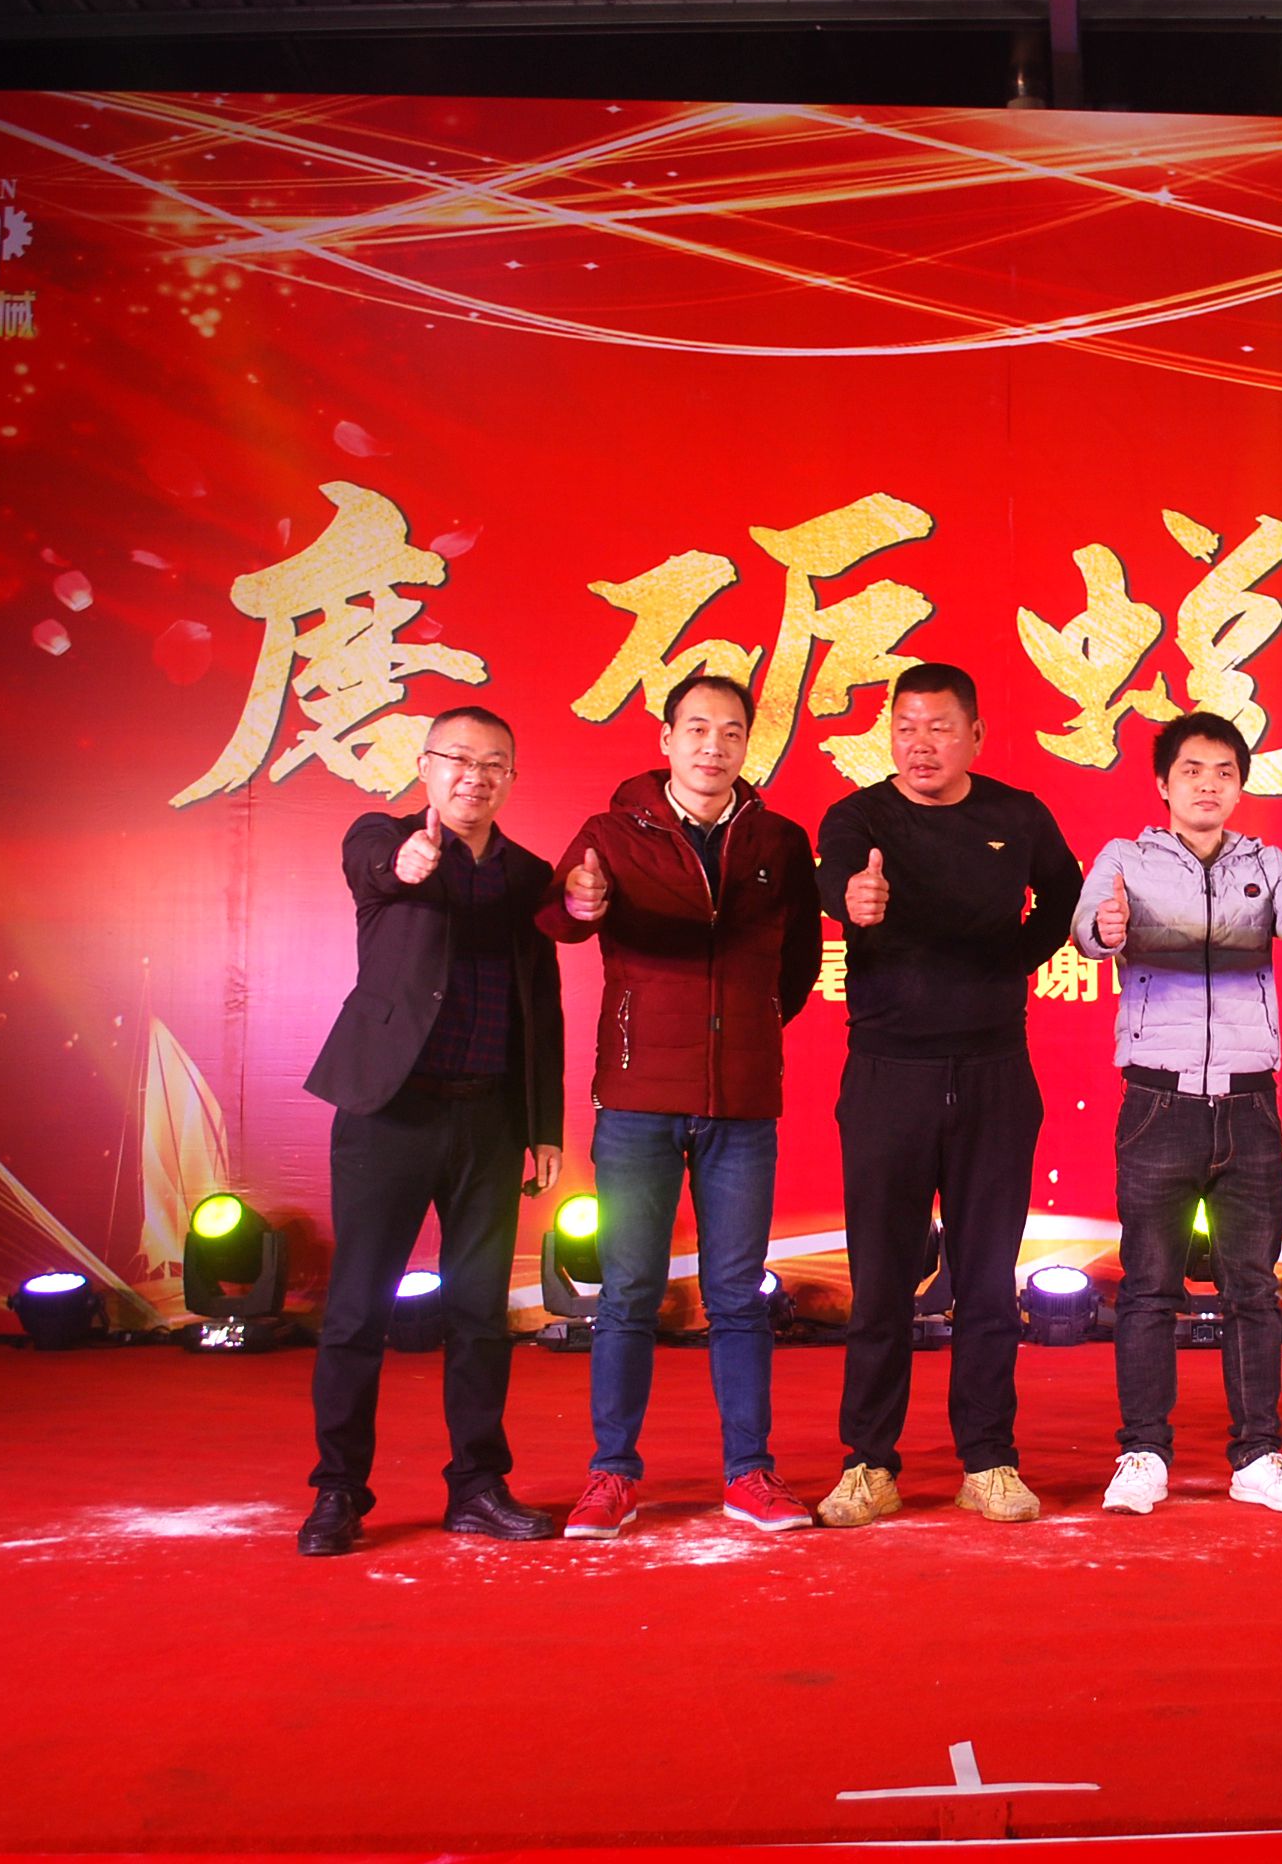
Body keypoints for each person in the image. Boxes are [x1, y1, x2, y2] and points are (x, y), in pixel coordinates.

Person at [538, 671, 824, 1540]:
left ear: (748, 744)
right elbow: (562, 914)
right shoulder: (611, 833)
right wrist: (580, 902)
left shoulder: (779, 839)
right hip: (637, 1100)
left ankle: (750, 1473)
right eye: (696, 728)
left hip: (742, 1103)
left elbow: (798, 967)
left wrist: (745, 1028)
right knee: (629, 1291)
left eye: (731, 731)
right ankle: (611, 1475)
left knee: (739, 1295)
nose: (713, 746)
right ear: (665, 740)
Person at [1071, 712, 1282, 1517]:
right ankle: (1143, 1453)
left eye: (1224, 773)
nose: (1208, 785)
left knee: (1252, 1290)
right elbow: (1087, 928)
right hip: (1157, 1102)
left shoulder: (1264, 864)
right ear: (1163, 783)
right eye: (1192, 770)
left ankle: (1258, 1455)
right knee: (1148, 1288)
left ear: (1240, 786)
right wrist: (1103, 930)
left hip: (1249, 1105)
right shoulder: (1125, 860)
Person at [812, 663, 1083, 1527]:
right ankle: (868, 1463)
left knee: (989, 1281)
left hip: (995, 1073)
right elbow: (836, 882)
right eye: (905, 728)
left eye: (938, 727)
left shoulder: (1017, 815)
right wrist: (855, 901)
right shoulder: (859, 818)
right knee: (881, 1280)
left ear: (975, 735)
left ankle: (989, 1460)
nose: (919, 744)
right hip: (889, 1073)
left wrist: (1011, 960)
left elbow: (1065, 895)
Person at [296, 705, 565, 1557]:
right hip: (390, 1112)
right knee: (356, 1309)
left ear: (511, 778)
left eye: (493, 764)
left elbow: (543, 1006)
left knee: (479, 1312)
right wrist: (407, 861)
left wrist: (543, 1125)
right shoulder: (382, 839)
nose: (474, 777)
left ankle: (478, 1487)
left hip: (488, 1119)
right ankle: (339, 1490)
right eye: (457, 759)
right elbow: (376, 866)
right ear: (425, 766)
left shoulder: (528, 876)